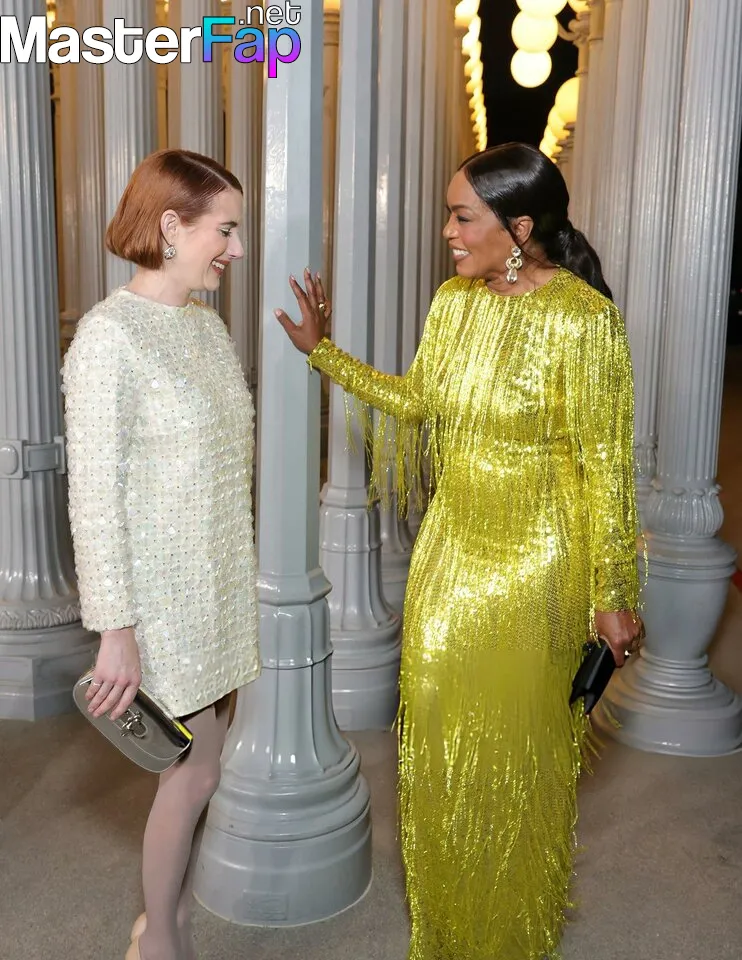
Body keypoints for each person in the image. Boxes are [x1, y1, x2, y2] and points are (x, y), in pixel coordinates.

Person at [275, 142, 643, 960]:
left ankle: (510, 936)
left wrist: (614, 592)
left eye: (461, 216)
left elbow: (607, 467)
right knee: (437, 742)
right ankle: (444, 933)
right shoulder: (453, 302)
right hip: (450, 553)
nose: (447, 231)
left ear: (518, 229)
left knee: (514, 756)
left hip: (536, 564)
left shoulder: (585, 321)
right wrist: (323, 353)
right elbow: (418, 402)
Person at [61, 149, 260, 960]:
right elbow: (94, 497)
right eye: (226, 230)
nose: (237, 249)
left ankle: (159, 924)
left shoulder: (207, 327)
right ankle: (162, 941)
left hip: (218, 591)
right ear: (172, 227)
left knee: (200, 772)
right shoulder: (107, 339)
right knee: (190, 775)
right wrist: (116, 628)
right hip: (159, 607)